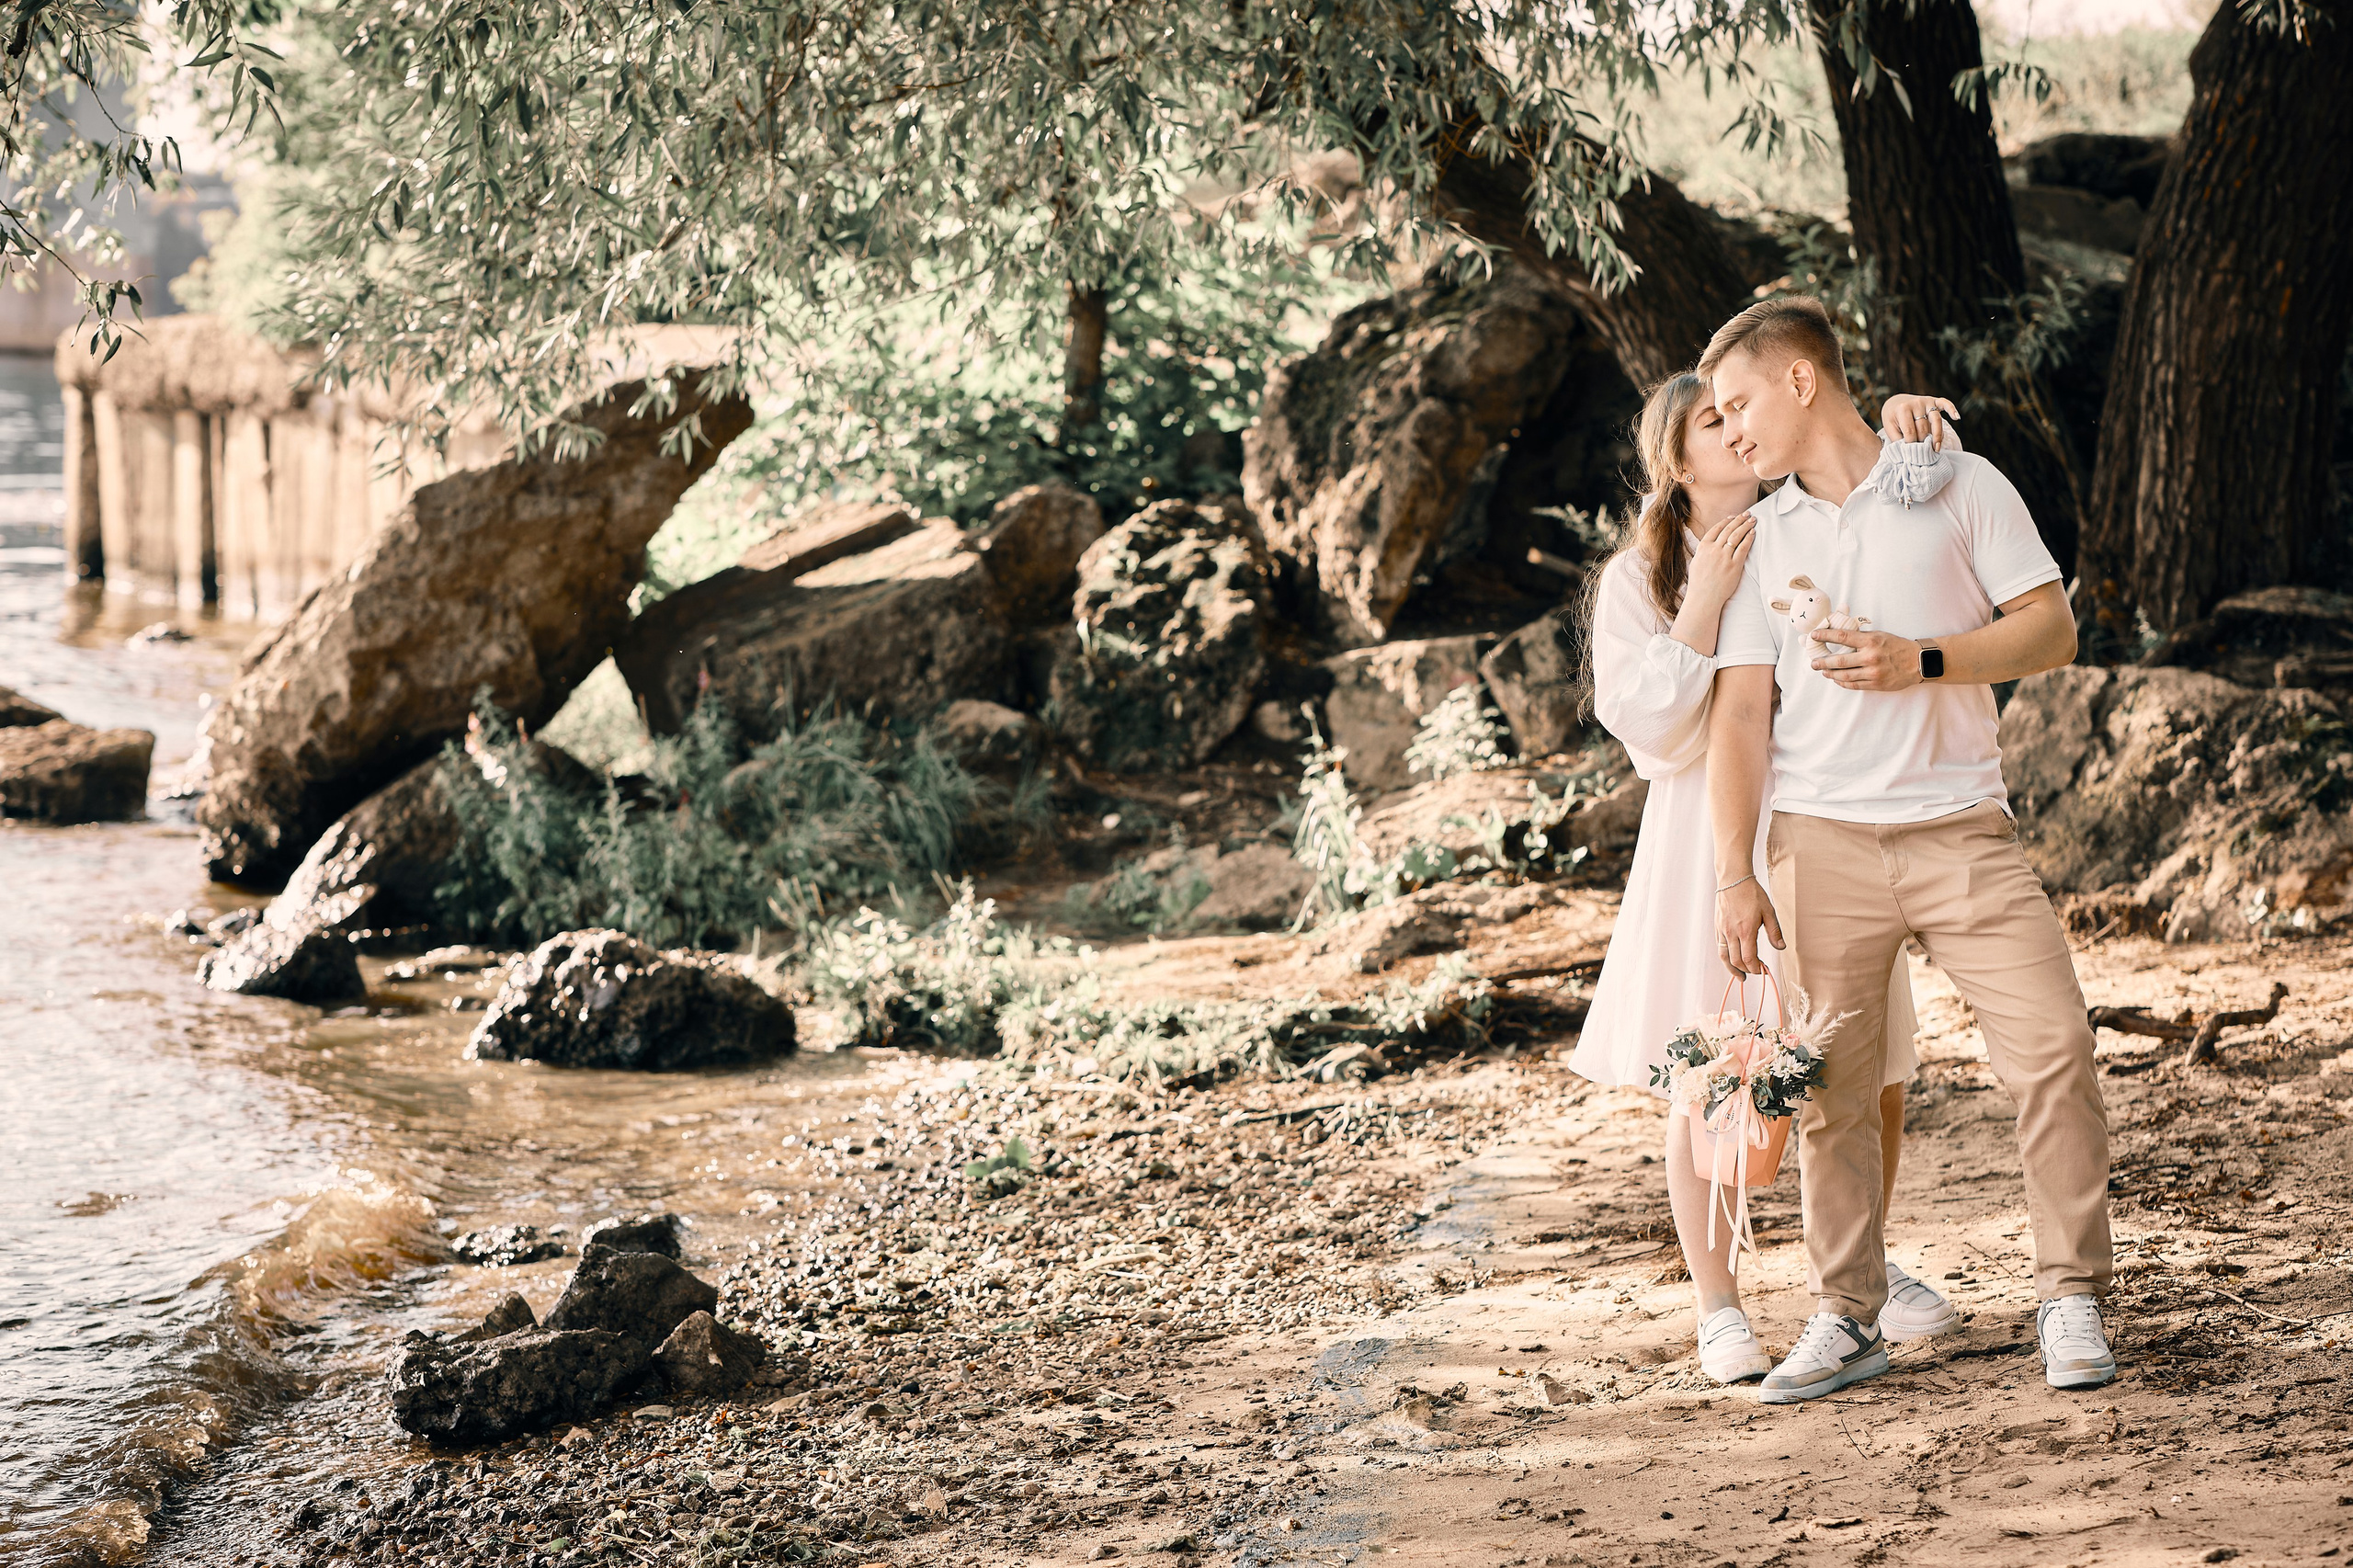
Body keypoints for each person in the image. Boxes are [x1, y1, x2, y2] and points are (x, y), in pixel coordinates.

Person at [1699, 296, 2114, 1404]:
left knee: (2052, 1048)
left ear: (1800, 380)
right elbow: (1742, 714)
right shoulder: (1761, 536)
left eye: (1738, 403)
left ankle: (2068, 1293)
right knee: (1833, 1089)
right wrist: (1733, 871)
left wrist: (1918, 660)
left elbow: (2051, 628)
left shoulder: (1956, 481)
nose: (1730, 430)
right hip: (1821, 842)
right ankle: (1845, 1313)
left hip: (1962, 829)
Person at [1570, 373, 1964, 1385]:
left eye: (1742, 411)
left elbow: (1899, 501)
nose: (1738, 431)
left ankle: (1860, 1273)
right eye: (1714, 421)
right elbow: (1655, 734)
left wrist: (1905, 422)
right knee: (1718, 1071)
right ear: (1675, 458)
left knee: (1867, 1065)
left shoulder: (1812, 526)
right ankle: (1719, 1303)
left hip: (1835, 822)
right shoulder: (1639, 579)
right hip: (1708, 841)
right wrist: (1702, 602)